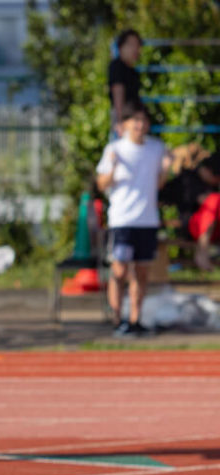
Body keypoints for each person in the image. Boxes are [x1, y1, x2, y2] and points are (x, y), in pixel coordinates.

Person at [96, 100, 170, 337]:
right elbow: (101, 185)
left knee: (142, 273)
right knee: (119, 271)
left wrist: (166, 170)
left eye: (143, 120)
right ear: (125, 124)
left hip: (147, 220)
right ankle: (118, 319)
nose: (140, 125)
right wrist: (113, 170)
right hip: (122, 220)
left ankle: (135, 319)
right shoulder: (115, 149)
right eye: (135, 120)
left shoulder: (157, 149)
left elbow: (159, 184)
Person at [158, 143, 220, 271]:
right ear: (208, 171)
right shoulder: (187, 179)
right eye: (217, 178)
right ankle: (202, 251)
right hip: (193, 227)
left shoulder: (212, 184)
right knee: (214, 200)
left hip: (215, 229)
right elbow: (160, 195)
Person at [108, 29, 143, 137]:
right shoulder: (117, 66)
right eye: (132, 44)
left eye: (138, 45)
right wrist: (119, 121)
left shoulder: (131, 70)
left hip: (132, 117)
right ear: (121, 47)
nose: (136, 49)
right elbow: (118, 91)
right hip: (126, 118)